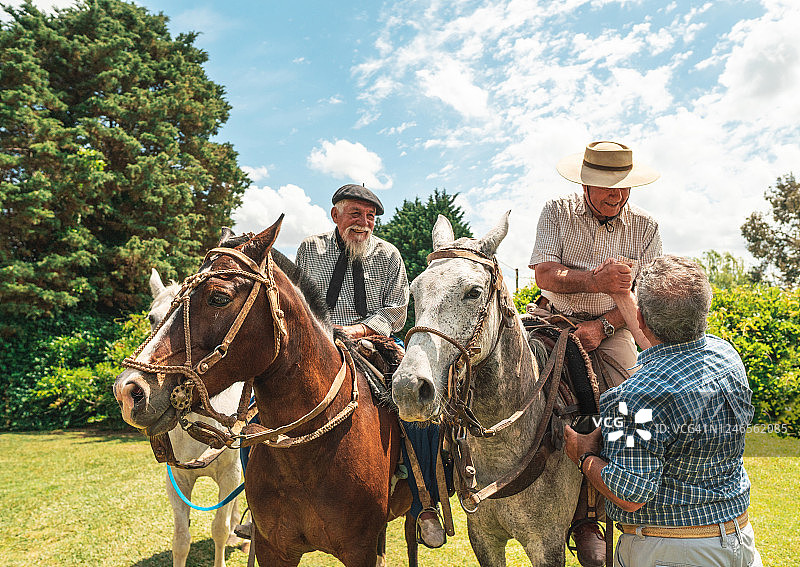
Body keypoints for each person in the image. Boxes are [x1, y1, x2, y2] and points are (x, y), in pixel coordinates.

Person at [565, 255, 762, 567]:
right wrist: (622, 296)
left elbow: (630, 494)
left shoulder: (634, 396)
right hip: (738, 539)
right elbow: (662, 350)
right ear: (704, 311)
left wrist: (583, 456)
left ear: (640, 320)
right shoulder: (726, 355)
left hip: (671, 550)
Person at [528, 140, 662, 566]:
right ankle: (475, 482)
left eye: (622, 186)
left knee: (633, 398)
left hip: (616, 326)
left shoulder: (646, 226)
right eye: (606, 186)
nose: (616, 195)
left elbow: (647, 293)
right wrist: (595, 280)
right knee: (507, 383)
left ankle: (614, 503)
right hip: (552, 319)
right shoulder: (556, 210)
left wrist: (603, 324)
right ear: (585, 182)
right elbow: (545, 274)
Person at [295, 183, 448, 548]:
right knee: (257, 406)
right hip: (318, 345)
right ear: (335, 215)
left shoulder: (389, 254)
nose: (364, 223)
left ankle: (424, 502)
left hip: (374, 343)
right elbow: (299, 302)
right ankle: (259, 505)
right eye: (355, 214)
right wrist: (323, 334)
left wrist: (357, 329)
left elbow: (396, 311)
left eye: (371, 216)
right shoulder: (309, 249)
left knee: (419, 407)